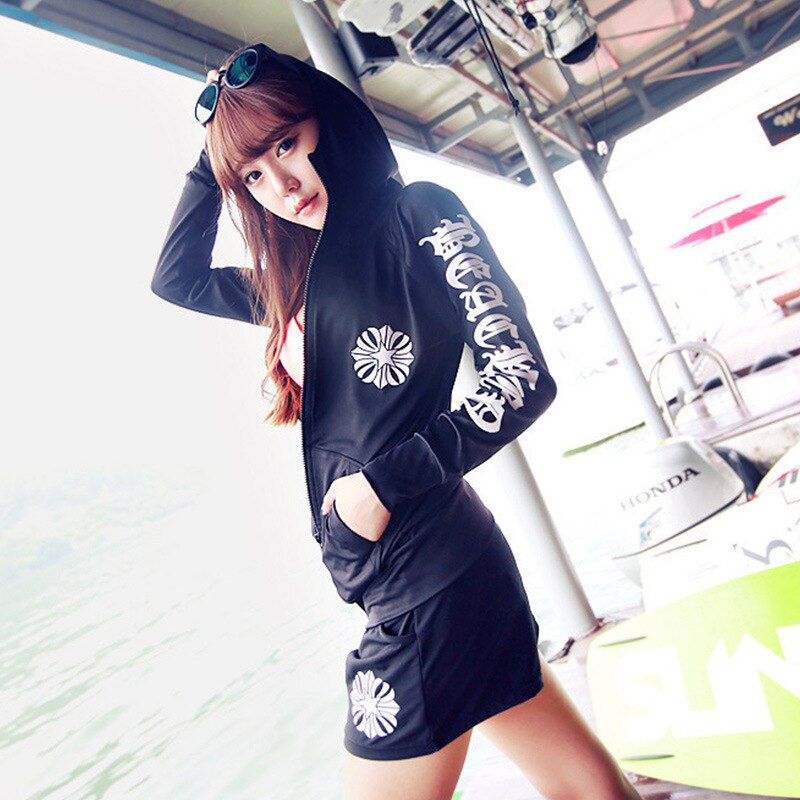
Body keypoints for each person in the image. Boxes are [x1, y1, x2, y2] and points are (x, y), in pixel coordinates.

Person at [152, 42, 641, 800]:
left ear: (328, 119)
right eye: (253, 176)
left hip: (427, 585)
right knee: (583, 786)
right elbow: (174, 278)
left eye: (287, 144)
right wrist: (216, 147)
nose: (281, 185)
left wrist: (379, 485)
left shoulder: (418, 216)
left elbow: (521, 376)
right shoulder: (294, 279)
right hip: (428, 577)